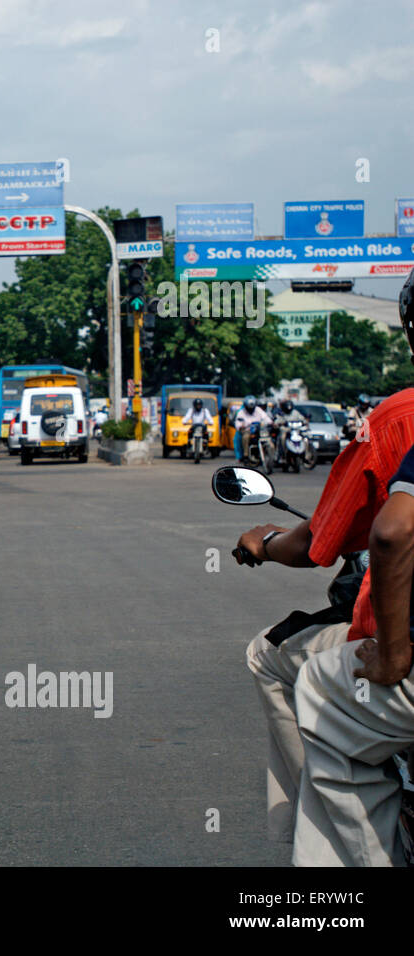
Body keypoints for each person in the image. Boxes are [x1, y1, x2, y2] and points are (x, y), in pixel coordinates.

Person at [238, 382, 414, 847]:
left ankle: (324, 832)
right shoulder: (266, 420)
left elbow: (326, 542)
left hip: (404, 661)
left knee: (280, 662)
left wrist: (266, 542)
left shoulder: (395, 417)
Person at [290, 272, 414, 865]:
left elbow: (340, 538)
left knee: (306, 679)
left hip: (395, 646)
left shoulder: (393, 416)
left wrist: (392, 653)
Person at [233, 396, 272, 464]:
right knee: (245, 437)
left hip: (259, 430)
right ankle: (246, 455)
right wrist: (241, 426)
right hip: (248, 430)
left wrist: (271, 423)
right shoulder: (241, 412)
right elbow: (238, 423)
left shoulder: (258, 410)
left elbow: (266, 418)